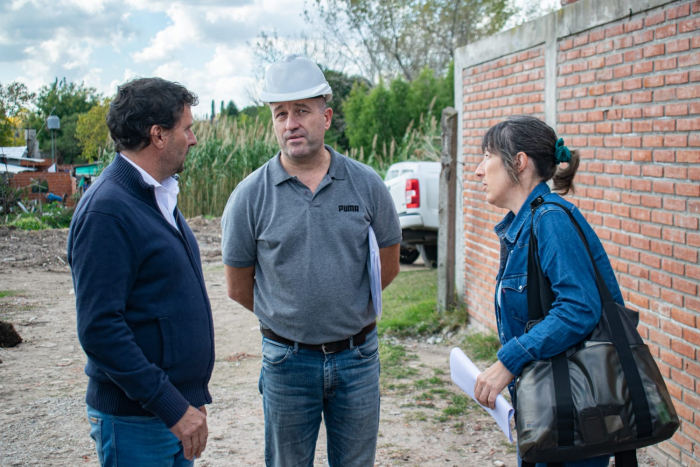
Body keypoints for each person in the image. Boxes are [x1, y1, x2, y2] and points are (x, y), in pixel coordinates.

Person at [221, 54, 402, 466]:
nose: (291, 123)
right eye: (280, 113)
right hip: (286, 362)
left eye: (302, 111)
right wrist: (293, 319)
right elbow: (238, 286)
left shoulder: (367, 184)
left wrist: (344, 309)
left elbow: (388, 265)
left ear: (326, 115)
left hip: (357, 359)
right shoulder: (250, 196)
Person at [67, 77, 214, 466]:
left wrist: (188, 398)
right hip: (138, 422)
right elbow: (100, 329)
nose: (193, 139)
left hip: (170, 414)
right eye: (187, 128)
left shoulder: (157, 194)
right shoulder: (108, 210)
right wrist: (172, 408)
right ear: (158, 135)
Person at [473, 115, 621, 467]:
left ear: (519, 162)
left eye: (486, 157)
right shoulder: (524, 224)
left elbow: (579, 308)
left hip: (575, 414)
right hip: (550, 409)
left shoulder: (549, 219)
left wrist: (509, 360)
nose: (479, 171)